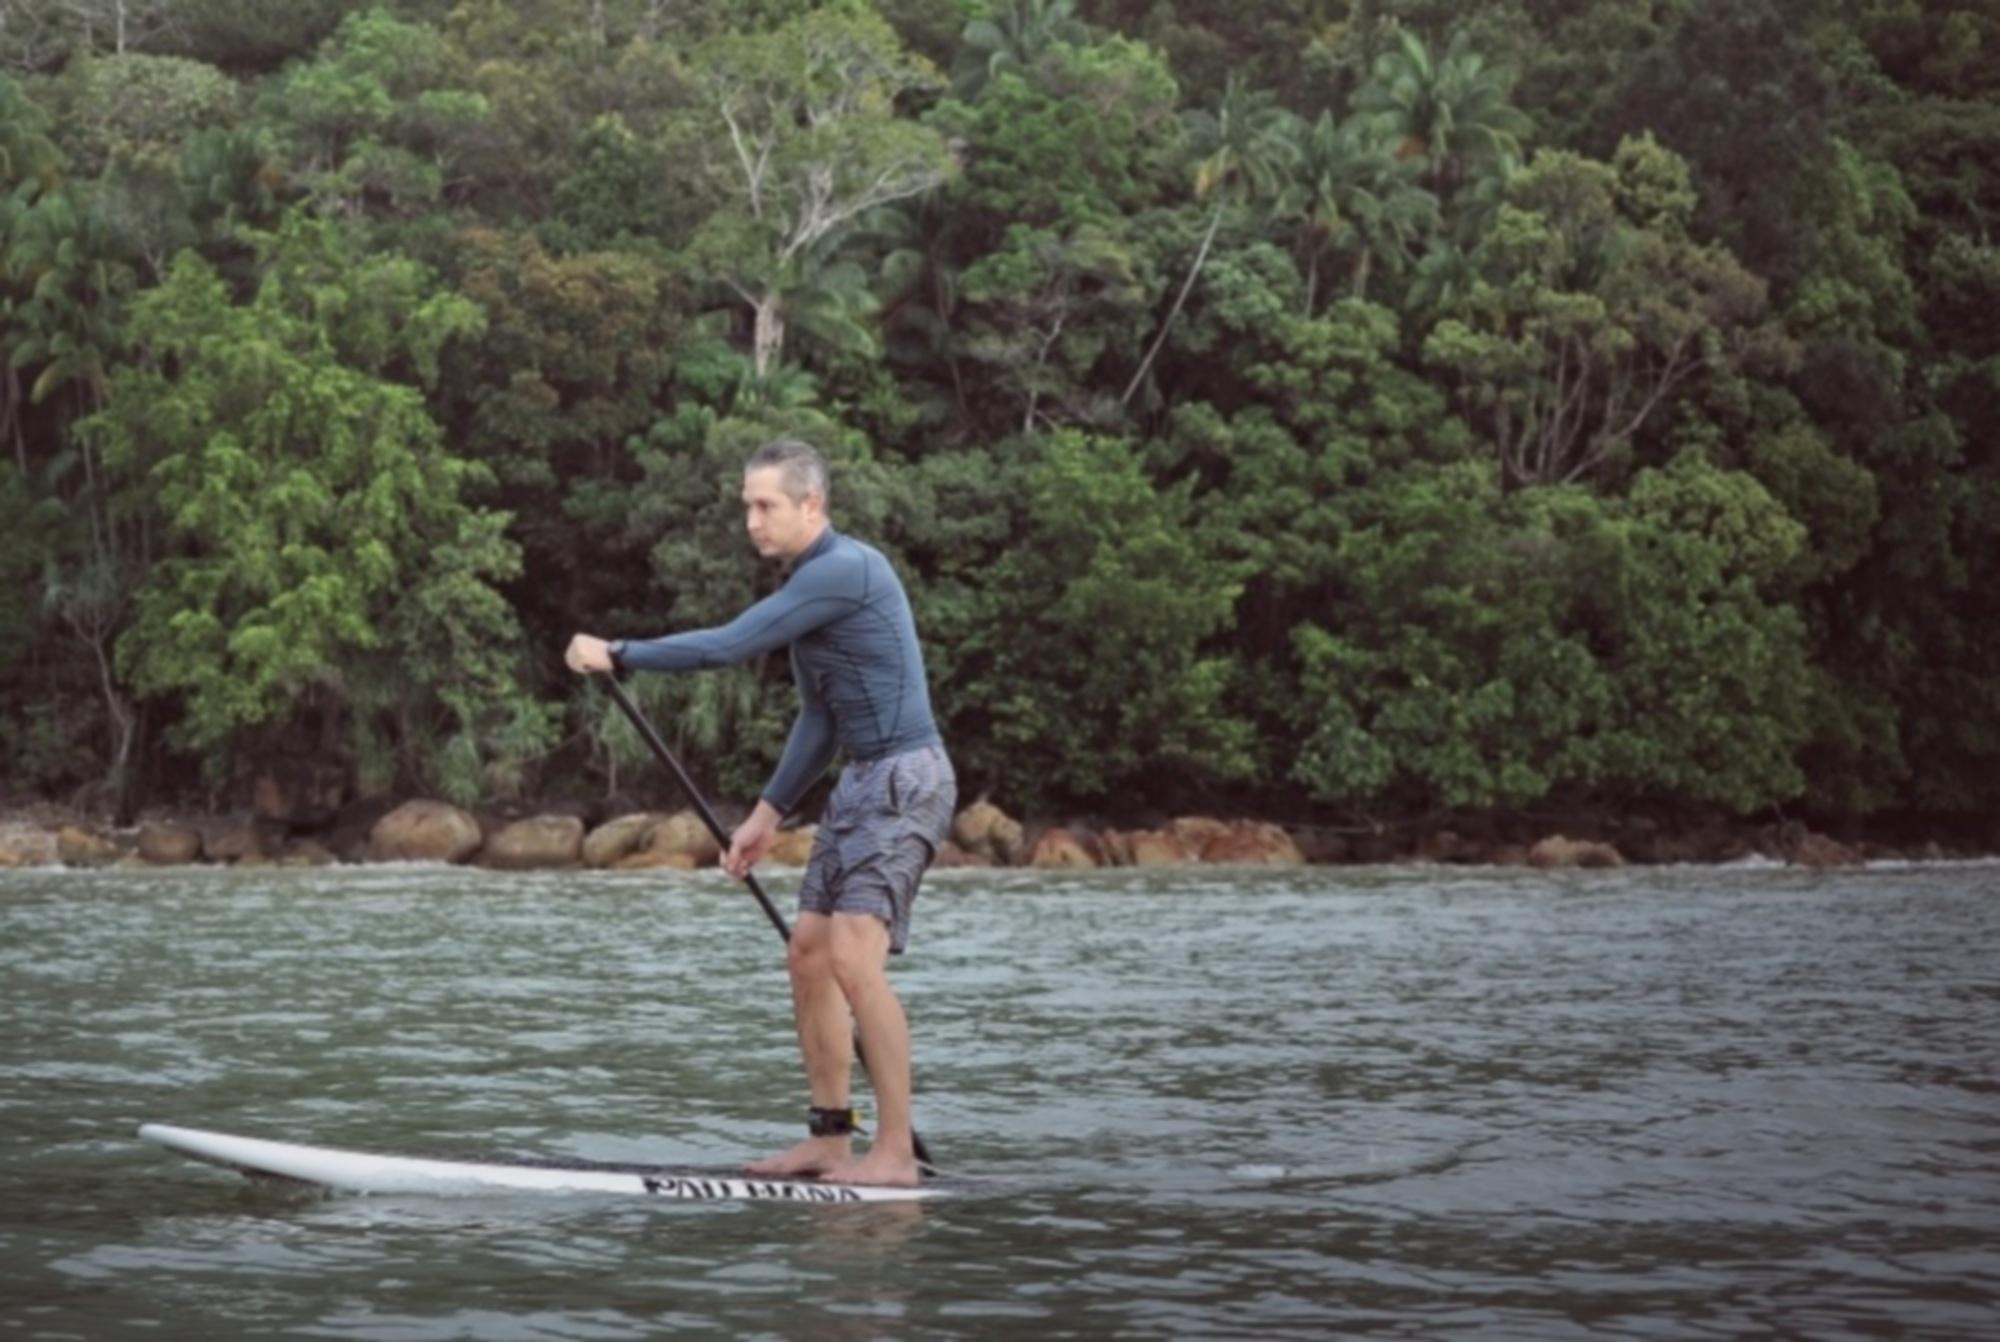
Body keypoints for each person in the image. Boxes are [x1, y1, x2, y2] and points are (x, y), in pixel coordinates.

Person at [565, 439, 954, 1188]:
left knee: (850, 957)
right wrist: (766, 815)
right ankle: (831, 1141)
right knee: (808, 953)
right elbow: (821, 720)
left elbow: (730, 646)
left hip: (907, 778)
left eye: (765, 504)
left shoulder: (845, 570)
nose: (751, 519)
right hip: (862, 780)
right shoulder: (815, 589)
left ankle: (895, 1153)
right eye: (746, 504)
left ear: (813, 505)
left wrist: (619, 650)